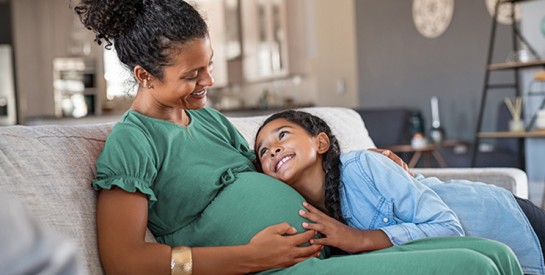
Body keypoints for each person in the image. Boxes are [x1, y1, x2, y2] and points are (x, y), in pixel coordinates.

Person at [76, 0, 524, 274]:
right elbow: (124, 261)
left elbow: (278, 172)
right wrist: (250, 257)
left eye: (209, 65)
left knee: (496, 254)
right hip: (273, 269)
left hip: (326, 252)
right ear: (144, 76)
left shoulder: (207, 120)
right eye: (193, 74)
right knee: (474, 268)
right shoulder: (134, 142)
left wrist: (357, 159)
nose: (208, 81)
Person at [254, 109, 545, 275]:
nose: (273, 149)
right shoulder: (302, 213)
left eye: (282, 135)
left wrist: (361, 239)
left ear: (320, 143)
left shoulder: (364, 166)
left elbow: (447, 225)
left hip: (507, 222)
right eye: (263, 151)